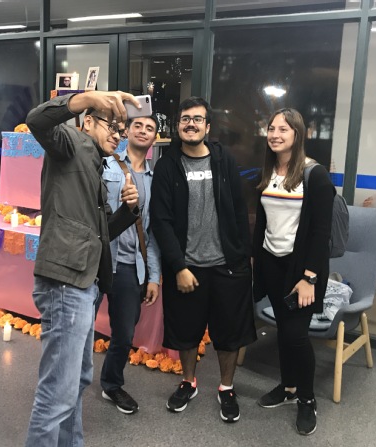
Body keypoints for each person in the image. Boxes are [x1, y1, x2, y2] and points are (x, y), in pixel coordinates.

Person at [24, 90, 142, 447]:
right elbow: (36, 120)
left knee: (76, 383)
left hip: (84, 282)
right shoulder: (70, 143)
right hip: (66, 281)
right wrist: (86, 97)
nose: (118, 135)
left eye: (122, 131)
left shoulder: (95, 166)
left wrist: (129, 212)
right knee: (58, 392)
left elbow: (102, 234)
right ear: (88, 121)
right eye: (112, 125)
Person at [150, 96, 256, 423]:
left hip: (227, 266)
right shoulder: (167, 166)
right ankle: (188, 382)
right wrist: (178, 267)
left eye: (198, 119)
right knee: (185, 331)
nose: (191, 124)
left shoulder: (224, 160)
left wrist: (243, 256)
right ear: (178, 125)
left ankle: (226, 387)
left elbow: (238, 210)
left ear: (207, 127)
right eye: (185, 119)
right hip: (188, 269)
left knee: (229, 333)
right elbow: (161, 221)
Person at [252, 108, 335, 436]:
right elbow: (263, 221)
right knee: (284, 331)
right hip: (272, 263)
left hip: (301, 269)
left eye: (283, 129)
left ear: (297, 134)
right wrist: (255, 258)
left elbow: (321, 232)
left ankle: (307, 399)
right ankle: (288, 387)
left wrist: (309, 277)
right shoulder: (270, 169)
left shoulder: (315, 175)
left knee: (297, 335)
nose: (275, 134)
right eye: (271, 128)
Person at [98, 114, 161, 414]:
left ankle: (111, 384)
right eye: (138, 125)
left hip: (129, 266)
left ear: (155, 138)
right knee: (78, 327)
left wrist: (154, 276)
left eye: (150, 128)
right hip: (97, 259)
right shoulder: (104, 164)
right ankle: (70, 382)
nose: (143, 131)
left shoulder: (154, 181)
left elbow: (150, 233)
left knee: (124, 334)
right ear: (128, 131)